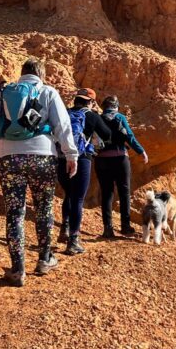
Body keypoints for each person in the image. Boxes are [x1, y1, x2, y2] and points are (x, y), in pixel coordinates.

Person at [0, 58, 78, 286]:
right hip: (42, 156)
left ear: (22, 73)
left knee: (15, 212)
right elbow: (62, 125)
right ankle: (45, 259)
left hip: (8, 156)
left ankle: (18, 269)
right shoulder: (47, 91)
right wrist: (71, 154)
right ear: (41, 74)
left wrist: (0, 152)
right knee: (43, 207)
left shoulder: (5, 92)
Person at [56, 88, 111, 255]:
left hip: (61, 158)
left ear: (76, 99)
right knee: (78, 198)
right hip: (82, 158)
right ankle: (73, 240)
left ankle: (64, 228)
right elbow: (107, 134)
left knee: (68, 194)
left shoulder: (64, 113)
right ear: (91, 101)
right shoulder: (92, 115)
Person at [93, 97, 148, 238]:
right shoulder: (119, 117)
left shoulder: (98, 118)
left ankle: (107, 228)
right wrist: (141, 151)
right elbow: (129, 136)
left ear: (104, 107)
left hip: (102, 160)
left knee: (106, 193)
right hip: (119, 158)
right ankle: (125, 226)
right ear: (116, 106)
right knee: (124, 192)